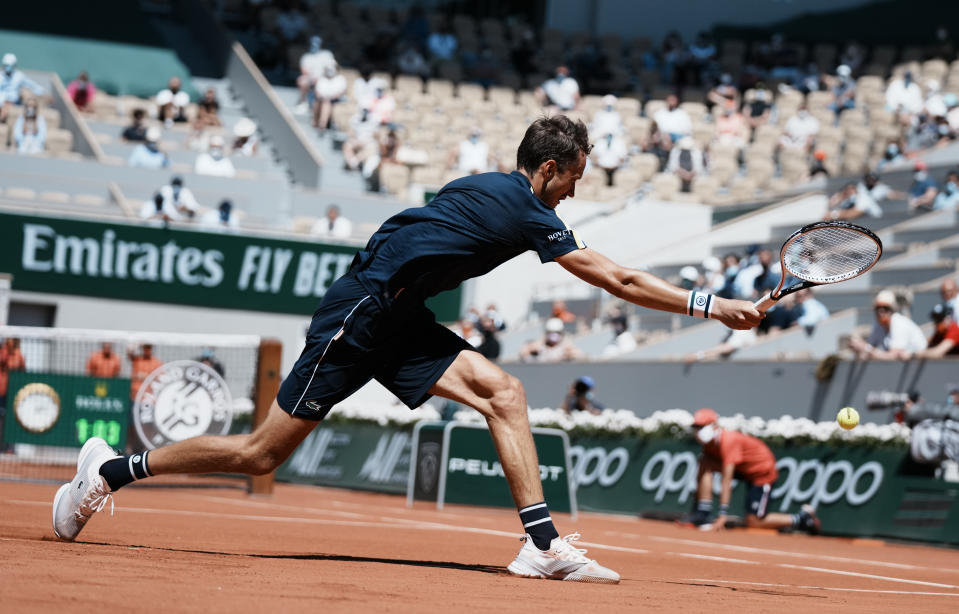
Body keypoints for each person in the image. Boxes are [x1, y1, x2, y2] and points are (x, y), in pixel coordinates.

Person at [52, 115, 761, 584]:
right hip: (359, 316)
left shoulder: (493, 190)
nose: (575, 191)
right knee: (259, 455)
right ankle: (110, 472)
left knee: (502, 393)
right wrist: (708, 304)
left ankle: (541, 546)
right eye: (574, 177)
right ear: (548, 170)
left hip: (398, 317)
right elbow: (616, 277)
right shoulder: (523, 207)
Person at [689, 408, 820, 533]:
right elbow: (703, 473)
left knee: (754, 521)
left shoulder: (729, 441)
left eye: (701, 427)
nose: (697, 431)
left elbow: (726, 480)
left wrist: (722, 515)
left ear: (714, 425)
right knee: (704, 462)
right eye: (695, 427)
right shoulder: (709, 444)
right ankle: (703, 512)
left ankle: (802, 518)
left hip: (762, 473)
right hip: (744, 470)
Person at [848, 290, 927, 360]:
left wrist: (865, 348)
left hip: (922, 364)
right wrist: (858, 349)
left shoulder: (899, 323)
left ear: (892, 310)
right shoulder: (879, 325)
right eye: (878, 308)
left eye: (885, 308)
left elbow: (893, 357)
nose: (881, 311)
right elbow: (868, 351)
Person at [0, 53, 46, 124]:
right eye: (6, 65)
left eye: (9, 65)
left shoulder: (19, 76)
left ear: (14, 65)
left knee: (5, 107)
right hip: (1, 100)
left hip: (12, 101)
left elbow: (31, 84)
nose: (8, 67)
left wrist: (42, 92)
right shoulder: (1, 76)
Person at [296, 35, 336, 114]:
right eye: (313, 43)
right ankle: (304, 102)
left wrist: (321, 78)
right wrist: (313, 78)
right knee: (302, 81)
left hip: (325, 78)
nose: (315, 45)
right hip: (311, 78)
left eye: (317, 43)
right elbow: (304, 71)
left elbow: (332, 69)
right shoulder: (306, 57)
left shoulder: (327, 54)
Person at [519, 317, 584, 363]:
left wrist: (568, 354)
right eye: (551, 332)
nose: (554, 335)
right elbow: (523, 354)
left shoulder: (565, 347)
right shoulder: (540, 346)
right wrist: (532, 350)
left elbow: (579, 355)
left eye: (557, 332)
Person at [313, 63, 347, 131]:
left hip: (335, 100)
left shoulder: (340, 79)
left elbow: (340, 93)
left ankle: (322, 124)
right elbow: (317, 92)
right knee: (319, 102)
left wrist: (329, 98)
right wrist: (322, 98)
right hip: (322, 100)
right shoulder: (322, 79)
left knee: (326, 103)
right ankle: (316, 121)